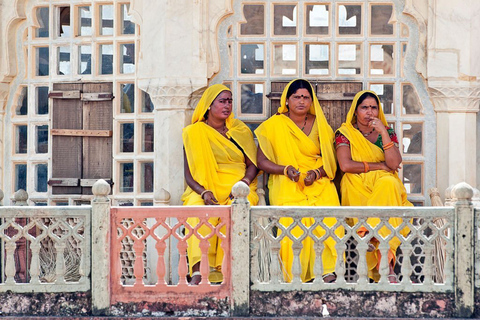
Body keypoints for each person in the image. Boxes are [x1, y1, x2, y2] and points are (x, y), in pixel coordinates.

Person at [255, 79, 343, 283]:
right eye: (296, 97)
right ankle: (296, 274)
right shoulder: (273, 125)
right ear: (287, 100)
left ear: (311, 101)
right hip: (285, 180)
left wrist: (317, 174)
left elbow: (331, 160)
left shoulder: (321, 124)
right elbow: (261, 161)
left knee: (328, 217)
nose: (301, 101)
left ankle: (327, 271)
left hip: (317, 181)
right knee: (293, 221)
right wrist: (285, 170)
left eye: (305, 97)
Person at [182, 84, 259, 285]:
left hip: (239, 188)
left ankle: (227, 272)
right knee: (196, 212)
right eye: (222, 101)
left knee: (237, 213)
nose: (227, 105)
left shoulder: (240, 131)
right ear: (209, 105)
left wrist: (244, 183)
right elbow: (189, 174)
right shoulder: (194, 132)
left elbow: (252, 165)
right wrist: (204, 192)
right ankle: (199, 271)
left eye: (230, 101)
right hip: (204, 188)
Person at [335, 90, 412, 283]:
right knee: (377, 189)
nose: (369, 112)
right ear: (355, 111)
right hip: (356, 182)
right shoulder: (345, 133)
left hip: (383, 183)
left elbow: (394, 164)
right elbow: (345, 166)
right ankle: (386, 266)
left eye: (373, 108)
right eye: (364, 108)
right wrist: (378, 166)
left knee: (388, 184)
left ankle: (370, 237)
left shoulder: (387, 132)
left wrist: (384, 133)